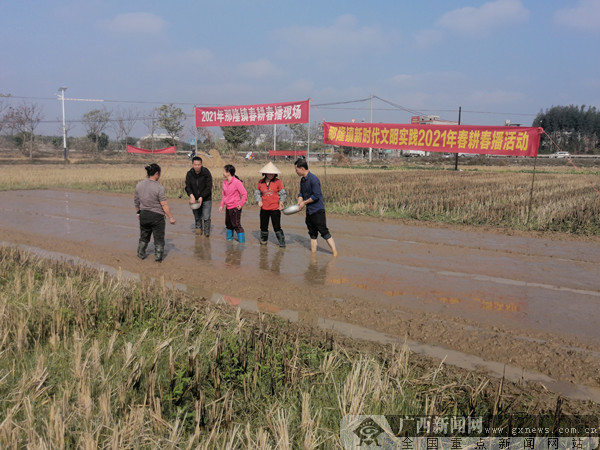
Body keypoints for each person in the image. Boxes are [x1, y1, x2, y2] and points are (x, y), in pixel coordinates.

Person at [294, 158, 338, 256]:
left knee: (324, 231)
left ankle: (335, 253)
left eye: (296, 170)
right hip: (309, 211)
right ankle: (313, 255)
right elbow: (301, 192)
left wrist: (304, 203)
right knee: (312, 233)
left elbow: (316, 196)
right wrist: (299, 201)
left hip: (317, 210)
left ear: (302, 168)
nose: (296, 172)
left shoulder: (313, 179)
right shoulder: (303, 180)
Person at [134, 163, 176, 262]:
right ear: (157, 173)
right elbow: (164, 205)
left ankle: (141, 255)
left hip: (144, 215)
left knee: (144, 237)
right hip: (157, 217)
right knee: (159, 239)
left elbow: (136, 201)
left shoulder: (139, 185)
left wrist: (138, 213)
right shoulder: (159, 187)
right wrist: (171, 217)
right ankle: (158, 259)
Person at [254, 161, 286, 247]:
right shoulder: (261, 182)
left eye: (272, 173)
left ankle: (282, 242)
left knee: (277, 227)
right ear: (265, 173)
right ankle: (263, 241)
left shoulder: (278, 182)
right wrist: (259, 200)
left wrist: (281, 202)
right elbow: (257, 193)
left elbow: (282, 193)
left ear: (275, 174)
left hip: (275, 208)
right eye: (269, 173)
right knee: (263, 226)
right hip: (264, 208)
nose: (270, 175)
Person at [184, 156, 213, 236]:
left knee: (206, 217)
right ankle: (198, 235)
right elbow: (187, 186)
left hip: (206, 198)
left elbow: (209, 186)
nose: (197, 166)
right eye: (195, 165)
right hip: (195, 200)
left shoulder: (206, 172)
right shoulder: (189, 174)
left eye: (199, 165)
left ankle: (207, 235)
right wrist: (191, 195)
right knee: (197, 217)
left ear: (201, 164)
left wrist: (202, 197)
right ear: (192, 165)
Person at [219, 164, 247, 243]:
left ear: (228, 172)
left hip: (235, 207)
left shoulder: (237, 182)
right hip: (228, 207)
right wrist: (221, 205)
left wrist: (240, 204)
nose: (223, 172)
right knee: (228, 224)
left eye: (224, 171)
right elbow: (224, 195)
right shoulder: (224, 182)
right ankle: (229, 241)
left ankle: (241, 243)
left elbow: (244, 194)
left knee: (236, 225)